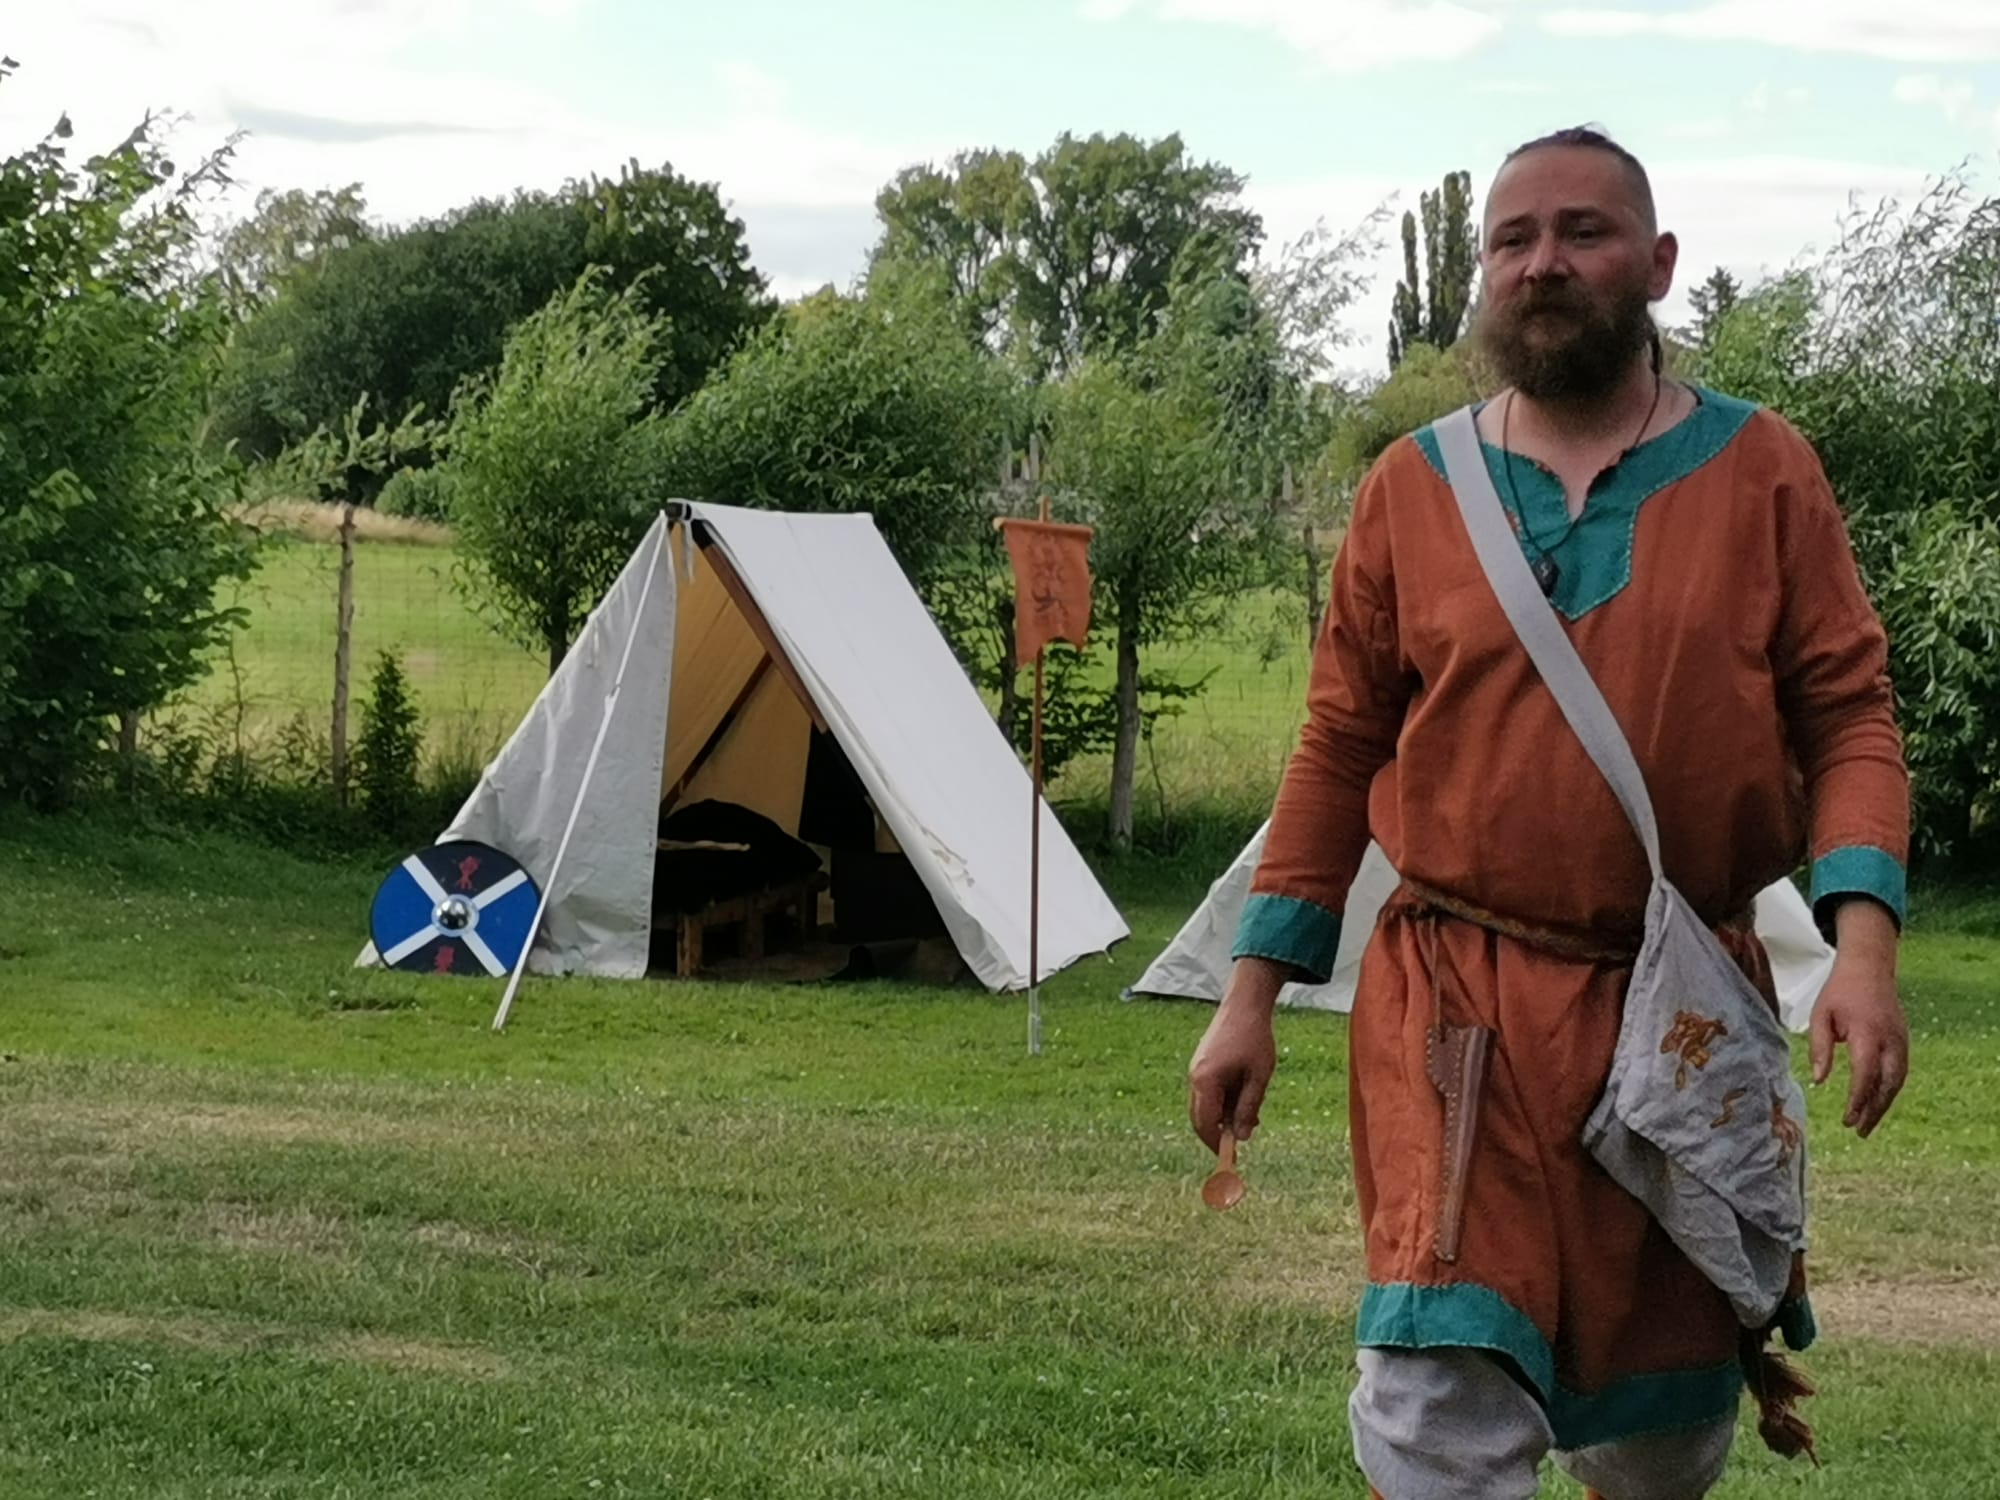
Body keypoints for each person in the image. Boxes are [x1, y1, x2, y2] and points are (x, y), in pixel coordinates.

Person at [1186, 126, 1912, 1500]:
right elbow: (1338, 747)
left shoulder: (1765, 471)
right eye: (1512, 239)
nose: (1542, 263)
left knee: (1664, 1429)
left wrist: (1862, 952)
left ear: (1658, 262)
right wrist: (1248, 997)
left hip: (1676, 1007)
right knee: (1436, 1393)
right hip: (1456, 1009)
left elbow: (1849, 716)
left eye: (1583, 231)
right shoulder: (1410, 490)